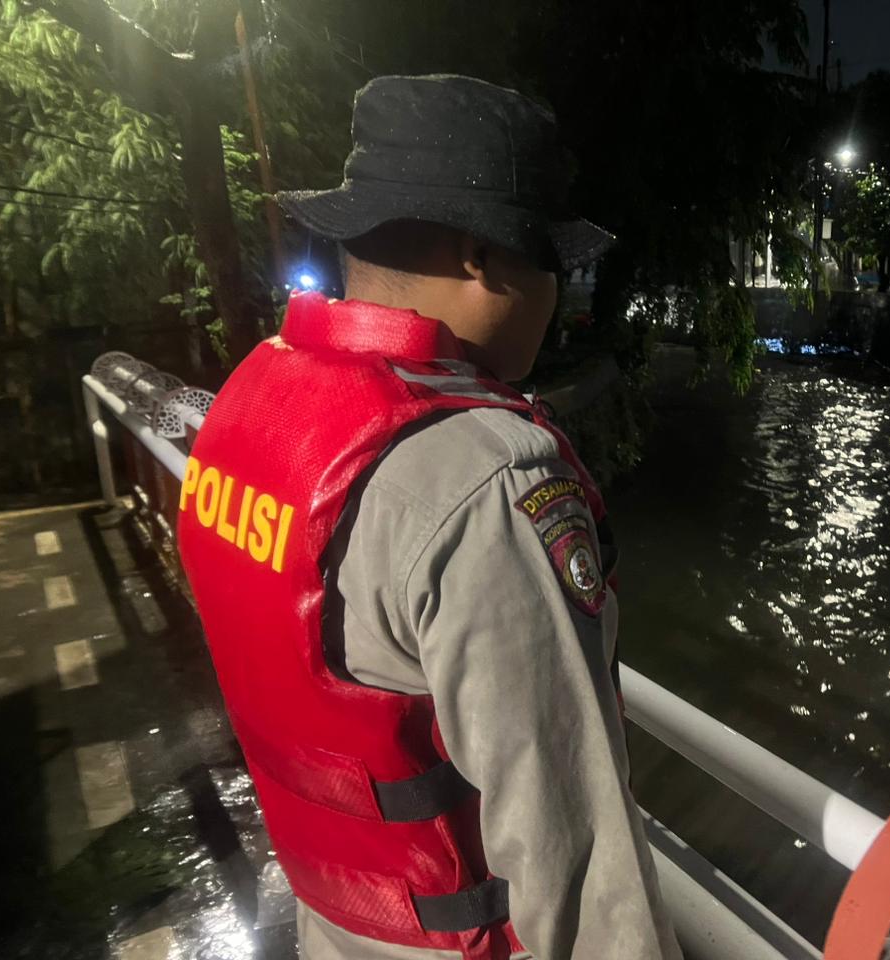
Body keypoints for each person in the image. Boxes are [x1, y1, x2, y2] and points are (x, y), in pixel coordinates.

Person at [176, 75, 683, 960]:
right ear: (482, 255)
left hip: (332, 923)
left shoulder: (250, 405)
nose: (559, 295)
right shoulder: (489, 479)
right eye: (551, 264)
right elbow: (577, 865)